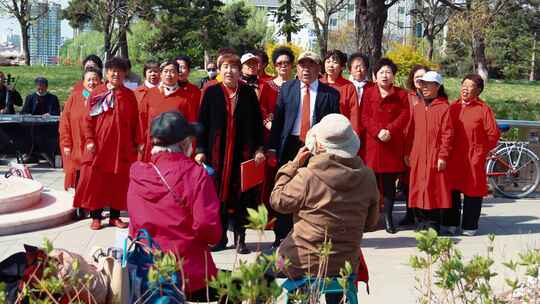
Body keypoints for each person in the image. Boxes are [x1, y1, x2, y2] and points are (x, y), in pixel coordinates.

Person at [270, 114, 379, 302]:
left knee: (267, 264)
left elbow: (277, 201)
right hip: (345, 263)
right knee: (334, 277)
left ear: (318, 146)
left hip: (301, 262)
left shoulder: (307, 176)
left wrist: (293, 164)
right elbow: (370, 224)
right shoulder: (368, 177)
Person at [128, 111, 224, 301]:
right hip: (190, 273)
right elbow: (209, 229)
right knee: (255, 285)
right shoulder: (195, 175)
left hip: (148, 270)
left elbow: (133, 224)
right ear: (184, 143)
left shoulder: (137, 173)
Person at [268, 51, 340, 248]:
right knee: (286, 188)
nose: (306, 69)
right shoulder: (287, 89)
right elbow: (278, 121)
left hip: (317, 148)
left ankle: (313, 235)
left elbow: (333, 124)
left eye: (311, 65)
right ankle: (281, 234)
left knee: (315, 192)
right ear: (297, 68)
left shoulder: (331, 94)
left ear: (319, 68)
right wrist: (272, 148)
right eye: (302, 65)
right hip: (290, 145)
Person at [195, 53, 265, 254]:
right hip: (217, 154)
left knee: (242, 197)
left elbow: (257, 124)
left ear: (239, 71)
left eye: (233, 67)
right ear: (219, 70)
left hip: (242, 154)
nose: (229, 71)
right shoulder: (211, 92)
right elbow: (202, 123)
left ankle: (241, 239)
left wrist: (259, 148)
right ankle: (221, 237)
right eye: (225, 67)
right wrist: (200, 149)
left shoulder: (248, 93)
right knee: (218, 197)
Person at [73, 57, 142, 230]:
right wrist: (89, 140)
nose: (116, 74)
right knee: (96, 180)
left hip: (122, 147)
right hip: (100, 146)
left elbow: (135, 122)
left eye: (120, 71)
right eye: (112, 70)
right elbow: (88, 120)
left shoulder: (129, 96)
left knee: (118, 182)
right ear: (107, 72)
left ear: (125, 74)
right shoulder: (98, 93)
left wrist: (137, 142)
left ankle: (115, 216)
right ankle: (96, 216)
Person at [444, 74, 500, 236]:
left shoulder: (483, 110)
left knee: (473, 192)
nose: (465, 89)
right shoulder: (452, 107)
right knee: (451, 191)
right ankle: (450, 223)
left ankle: (469, 226)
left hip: (472, 158)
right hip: (453, 157)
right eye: (464, 85)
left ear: (478, 90)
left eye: (470, 86)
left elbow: (493, 135)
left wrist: (480, 151)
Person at [360, 58, 409, 234]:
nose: (385, 76)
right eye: (381, 72)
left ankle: (388, 218)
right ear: (375, 76)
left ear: (394, 76)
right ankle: (370, 219)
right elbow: (364, 116)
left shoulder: (401, 94)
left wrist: (389, 130)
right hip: (373, 145)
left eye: (388, 72)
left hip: (391, 144)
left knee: (389, 186)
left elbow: (405, 115)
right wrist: (377, 131)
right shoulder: (368, 93)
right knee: (370, 185)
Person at [405, 71, 453, 233]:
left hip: (434, 155)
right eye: (422, 84)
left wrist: (443, 156)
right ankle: (421, 221)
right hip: (418, 155)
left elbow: (448, 134)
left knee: (434, 189)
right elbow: (410, 132)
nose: (424, 87)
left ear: (437, 87)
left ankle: (433, 223)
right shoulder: (417, 107)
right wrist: (407, 152)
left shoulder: (444, 108)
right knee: (418, 188)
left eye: (428, 84)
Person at [139, 60, 195, 162]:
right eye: (165, 71)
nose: (169, 74)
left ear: (178, 75)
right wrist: (141, 142)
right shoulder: (150, 94)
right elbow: (141, 120)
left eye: (172, 71)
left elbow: (190, 124)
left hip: (176, 148)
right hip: (152, 145)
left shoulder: (185, 97)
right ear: (161, 74)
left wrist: (189, 149)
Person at [59, 68, 103, 191]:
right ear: (83, 82)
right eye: (88, 80)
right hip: (78, 146)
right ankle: (80, 208)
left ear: (101, 81)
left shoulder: (104, 99)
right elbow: (65, 123)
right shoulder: (74, 98)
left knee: (94, 179)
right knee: (79, 177)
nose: (92, 83)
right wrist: (66, 143)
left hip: (97, 147)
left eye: (95, 79)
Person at [397, 64, 429, 226]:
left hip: (426, 144)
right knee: (408, 180)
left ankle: (423, 215)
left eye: (423, 77)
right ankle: (410, 214)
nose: (420, 80)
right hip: (408, 142)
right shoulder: (406, 96)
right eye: (417, 77)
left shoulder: (432, 96)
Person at [320, 49, 360, 134]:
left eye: (335, 62)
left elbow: (354, 113)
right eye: (328, 61)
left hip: (341, 131)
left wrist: (353, 133)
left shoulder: (349, 87)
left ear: (342, 66)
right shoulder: (318, 83)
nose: (331, 65)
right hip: (320, 130)